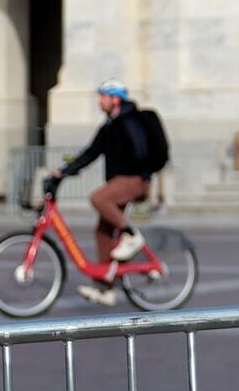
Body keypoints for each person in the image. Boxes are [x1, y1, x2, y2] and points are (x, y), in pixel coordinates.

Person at [45, 80, 158, 306]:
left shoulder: (130, 120)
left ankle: (131, 235)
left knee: (98, 198)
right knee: (102, 233)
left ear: (115, 99)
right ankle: (106, 289)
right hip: (120, 181)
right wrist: (63, 172)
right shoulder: (109, 126)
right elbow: (90, 154)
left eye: (103, 96)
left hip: (134, 179)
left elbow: (142, 149)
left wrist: (142, 173)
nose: (99, 101)